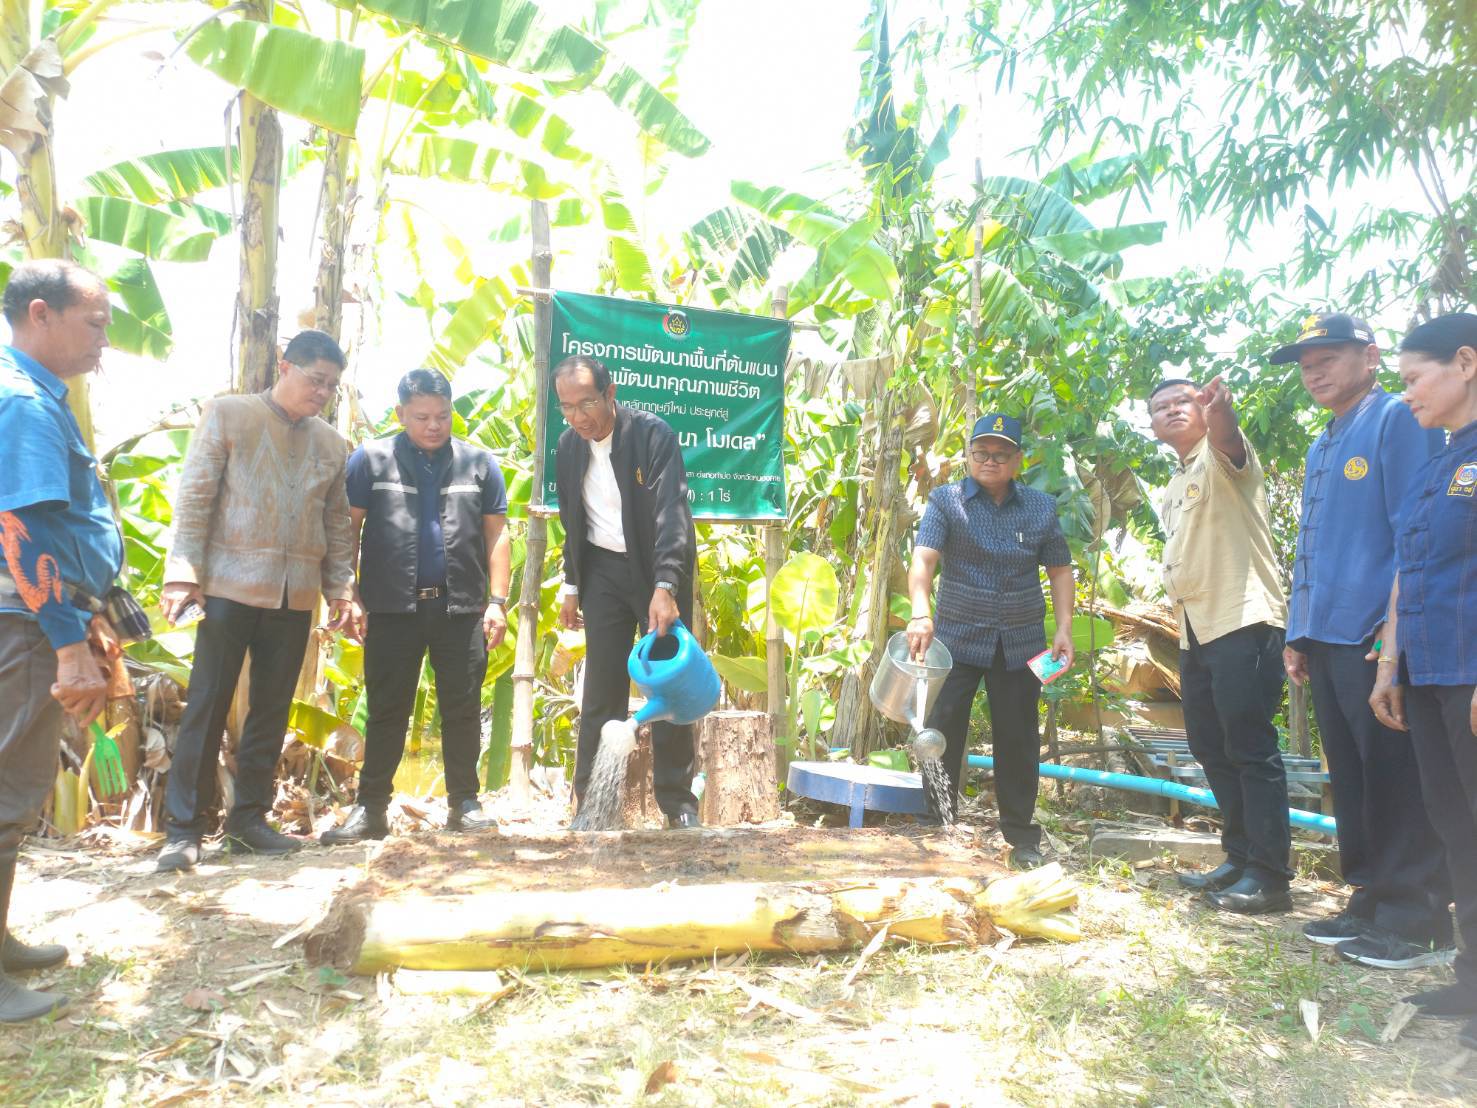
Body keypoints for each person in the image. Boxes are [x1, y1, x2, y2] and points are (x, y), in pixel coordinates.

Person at [1273, 312, 1453, 967]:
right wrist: (1298, 630)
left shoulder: (1396, 419)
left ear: (1370, 357)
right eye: (1303, 361)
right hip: (1326, 636)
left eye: (1325, 355)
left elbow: (1417, 528)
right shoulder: (1325, 440)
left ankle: (1417, 915)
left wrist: (1392, 633)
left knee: (1393, 774)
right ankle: (1373, 895)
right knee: (1349, 775)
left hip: (1375, 635)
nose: (1311, 369)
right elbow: (1312, 547)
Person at [156, 330, 356, 872]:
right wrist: (182, 574)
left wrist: (341, 589)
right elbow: (195, 498)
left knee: (270, 711)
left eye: (331, 386)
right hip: (227, 587)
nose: (322, 393)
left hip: (296, 597)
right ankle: (182, 832)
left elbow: (337, 527)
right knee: (206, 706)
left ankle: (248, 823)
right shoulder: (228, 415)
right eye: (316, 380)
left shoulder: (332, 445)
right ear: (285, 366)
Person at [0, 260, 121, 1021]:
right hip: (29, 623)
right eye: (95, 323)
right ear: (40, 314)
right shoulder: (24, 404)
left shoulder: (38, 395)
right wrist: (70, 644)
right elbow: (23, 526)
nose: (104, 341)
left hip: (36, 618)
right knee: (7, 791)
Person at [321, 369, 511, 843]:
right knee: (387, 709)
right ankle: (370, 810)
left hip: (461, 608)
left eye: (442, 416)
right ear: (400, 413)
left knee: (463, 708)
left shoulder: (479, 464)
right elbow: (348, 529)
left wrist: (497, 602)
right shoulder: (370, 460)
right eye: (421, 416)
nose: (433, 425)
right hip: (390, 608)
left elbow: (497, 533)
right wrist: (348, 591)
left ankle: (465, 804)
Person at [1370, 311, 1477, 1050]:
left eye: (1412, 379)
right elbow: (1410, 570)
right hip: (1431, 673)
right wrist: (1388, 662)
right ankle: (1472, 977)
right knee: (1455, 827)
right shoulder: (1438, 461)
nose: (1405, 394)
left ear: (1464, 362)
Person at [905, 413, 1075, 869]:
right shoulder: (946, 501)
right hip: (956, 639)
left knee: (1018, 740)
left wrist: (1063, 628)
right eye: (982, 452)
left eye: (1001, 454)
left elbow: (1059, 569)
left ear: (1018, 460)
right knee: (941, 734)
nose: (990, 461)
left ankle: (1022, 838)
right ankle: (938, 827)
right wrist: (921, 613)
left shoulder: (1040, 507)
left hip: (1020, 644)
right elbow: (923, 561)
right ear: (968, 455)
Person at [1150, 377, 1293, 914]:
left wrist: (1222, 411)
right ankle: (1239, 857)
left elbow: (1229, 438)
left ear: (1204, 409)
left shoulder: (1224, 456)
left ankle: (1271, 877)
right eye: (1160, 408)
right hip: (1195, 628)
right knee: (1210, 745)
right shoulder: (1175, 481)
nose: (1172, 412)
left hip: (1243, 618)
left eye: (1182, 402)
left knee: (1252, 748)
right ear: (1152, 425)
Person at [553, 354, 700, 828]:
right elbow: (571, 520)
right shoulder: (567, 448)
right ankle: (594, 808)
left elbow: (671, 516)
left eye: (587, 403)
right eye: (567, 407)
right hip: (602, 575)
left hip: (656, 572)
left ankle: (677, 805)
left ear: (610, 394)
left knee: (669, 683)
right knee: (601, 690)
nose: (578, 417)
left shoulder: (652, 436)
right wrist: (571, 584)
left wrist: (665, 585)